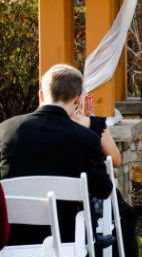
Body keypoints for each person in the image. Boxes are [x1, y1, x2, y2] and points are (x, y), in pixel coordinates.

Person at [0, 64, 112, 246]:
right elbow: (103, 189)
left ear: (41, 95)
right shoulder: (86, 138)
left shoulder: (6, 130)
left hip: (12, 236)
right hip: (68, 236)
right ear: (77, 100)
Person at [72, 95, 142, 257]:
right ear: (76, 99)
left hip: (52, 207)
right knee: (123, 211)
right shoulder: (91, 126)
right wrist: (91, 122)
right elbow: (115, 160)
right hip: (89, 202)